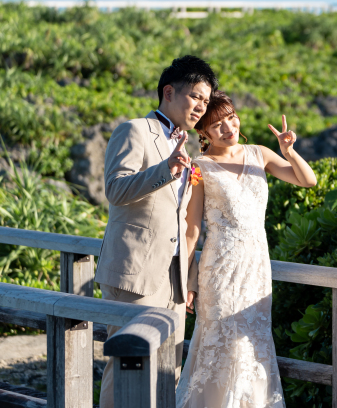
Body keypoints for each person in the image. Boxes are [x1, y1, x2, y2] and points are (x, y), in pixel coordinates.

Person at [176, 91, 317, 408]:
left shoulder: (260, 154)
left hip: (256, 269)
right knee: (225, 345)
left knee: (252, 345)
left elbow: (308, 181)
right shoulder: (200, 167)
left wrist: (289, 151)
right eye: (217, 124)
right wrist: (188, 279)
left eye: (231, 118)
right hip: (220, 271)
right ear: (203, 132)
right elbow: (192, 227)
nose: (228, 127)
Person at [96, 55, 218, 408]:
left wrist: (191, 276)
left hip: (175, 280)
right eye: (196, 96)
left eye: (206, 101)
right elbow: (116, 190)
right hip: (136, 272)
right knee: (126, 369)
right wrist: (164, 169)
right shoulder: (134, 130)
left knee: (169, 371)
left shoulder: (186, 145)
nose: (200, 106)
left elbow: (183, 222)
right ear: (169, 91)